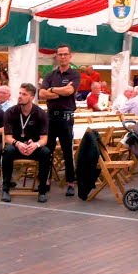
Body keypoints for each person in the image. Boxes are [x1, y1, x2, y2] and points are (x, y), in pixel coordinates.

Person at [39, 44, 80, 196]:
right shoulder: (50, 75)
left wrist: (53, 89)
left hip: (66, 117)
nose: (62, 57)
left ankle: (70, 183)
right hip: (50, 117)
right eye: (60, 54)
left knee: (67, 152)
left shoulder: (74, 75)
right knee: (46, 150)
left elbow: (70, 90)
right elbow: (42, 94)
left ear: (70, 56)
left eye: (65, 54)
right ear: (56, 56)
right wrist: (60, 92)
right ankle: (46, 180)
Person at [0, 82, 50, 203]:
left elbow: (44, 138)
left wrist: (36, 145)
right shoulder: (10, 112)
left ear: (32, 97)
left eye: (24, 94)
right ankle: (5, 189)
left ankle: (42, 190)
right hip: (16, 146)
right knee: (7, 151)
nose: (20, 96)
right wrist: (17, 143)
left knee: (46, 152)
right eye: (20, 93)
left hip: (33, 147)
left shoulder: (40, 113)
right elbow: (8, 137)